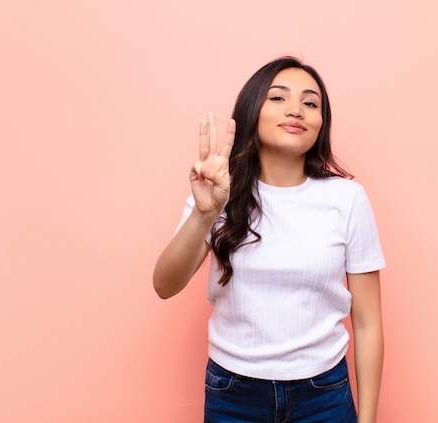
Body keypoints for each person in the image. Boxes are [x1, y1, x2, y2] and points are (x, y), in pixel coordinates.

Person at [153, 56, 386, 423]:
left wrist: (368, 419)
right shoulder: (218, 192)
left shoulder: (347, 199)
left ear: (321, 124)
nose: (296, 110)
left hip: (323, 393)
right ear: (252, 110)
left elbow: (369, 321)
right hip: (233, 392)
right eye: (278, 98)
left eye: (310, 103)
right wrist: (203, 214)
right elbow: (164, 286)